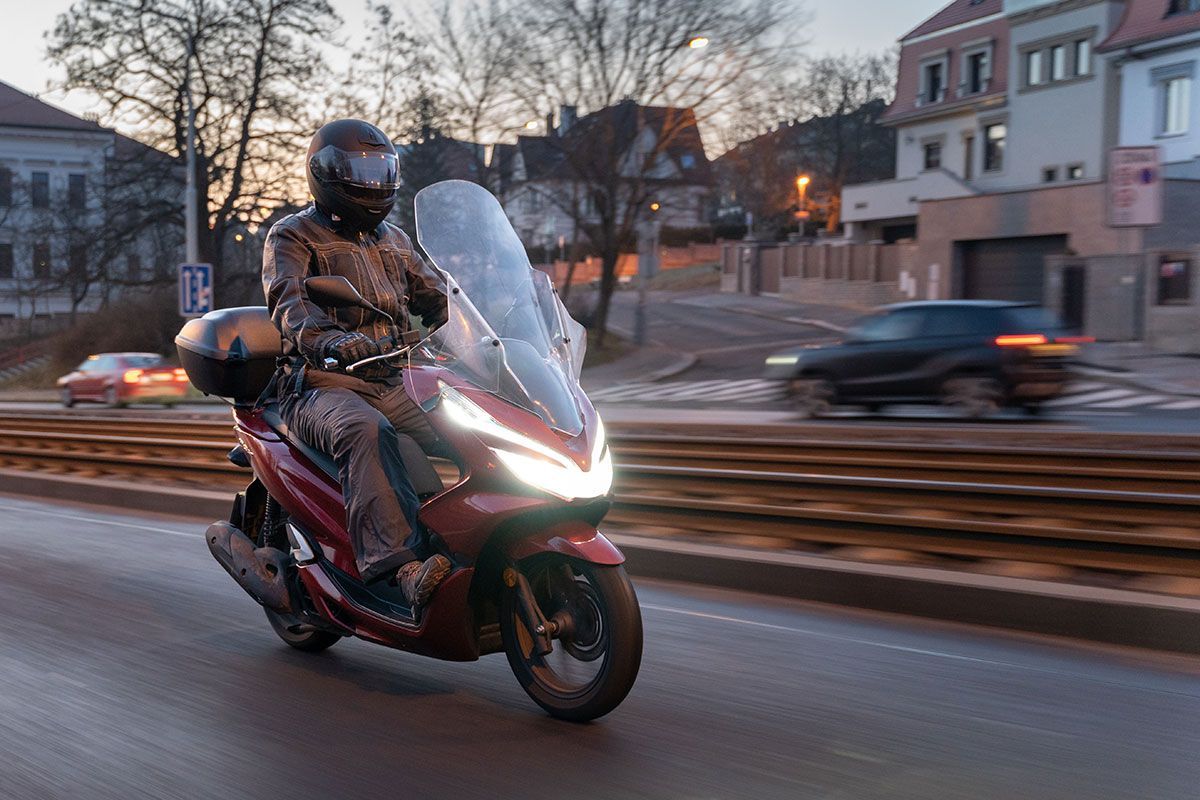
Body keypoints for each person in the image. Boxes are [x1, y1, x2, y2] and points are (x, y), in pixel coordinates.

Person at [261, 118, 451, 608]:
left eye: (379, 171)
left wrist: (487, 320)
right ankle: (399, 568)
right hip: (321, 385)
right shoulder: (293, 236)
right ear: (324, 173)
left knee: (474, 429)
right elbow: (290, 302)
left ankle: (482, 536)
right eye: (358, 171)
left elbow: (439, 296)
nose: (371, 183)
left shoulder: (396, 240)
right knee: (366, 431)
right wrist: (329, 339)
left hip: (395, 379)